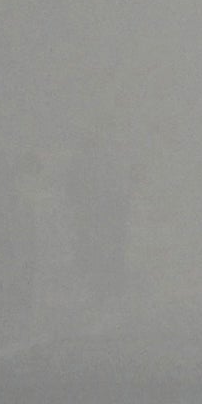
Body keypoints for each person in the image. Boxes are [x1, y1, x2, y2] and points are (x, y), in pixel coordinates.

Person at [65, 121, 137, 309]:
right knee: (95, 250)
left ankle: (105, 294)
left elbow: (72, 189)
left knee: (102, 251)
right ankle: (101, 294)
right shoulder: (101, 161)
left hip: (102, 214)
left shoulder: (101, 161)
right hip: (96, 215)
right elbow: (73, 190)